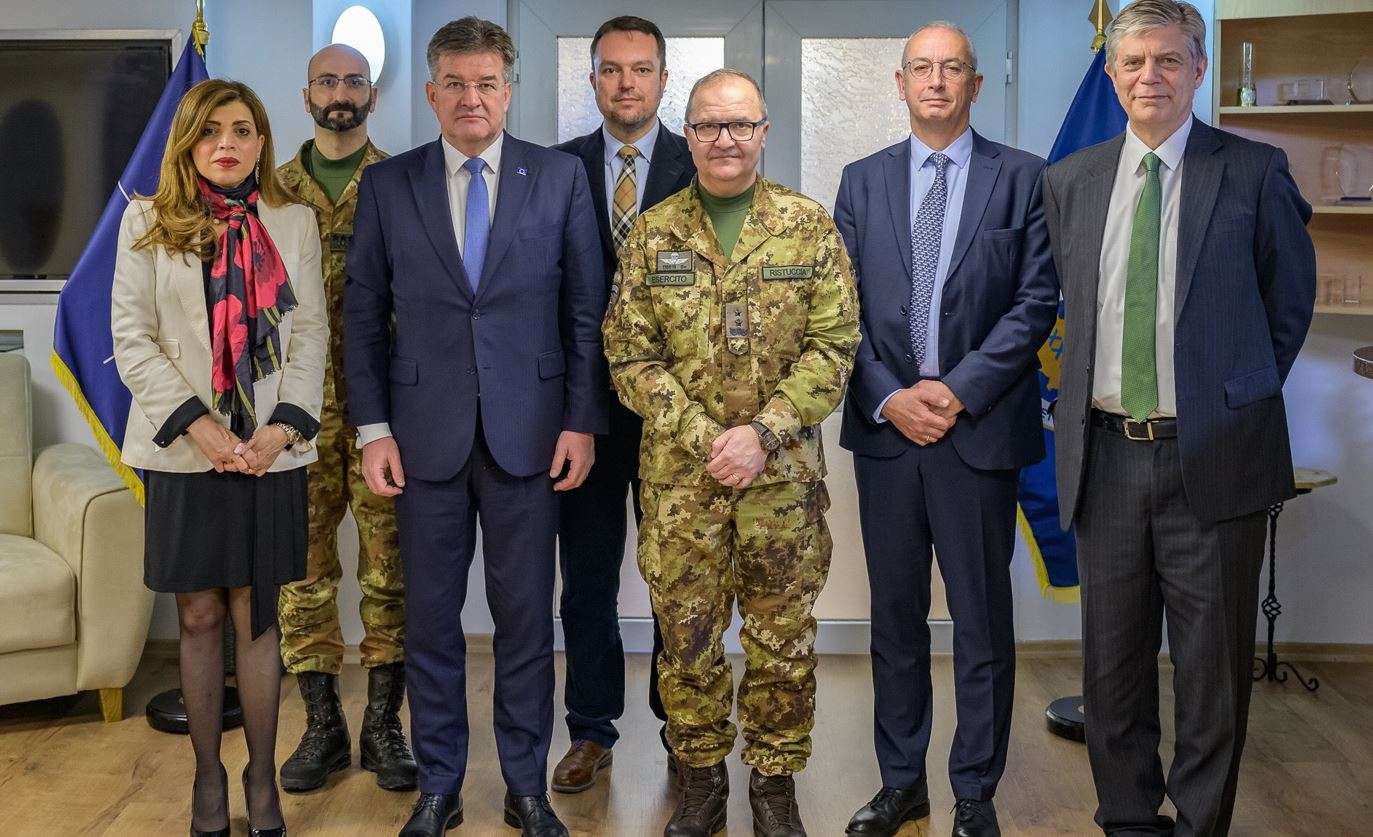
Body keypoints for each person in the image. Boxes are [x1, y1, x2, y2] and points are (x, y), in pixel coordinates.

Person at [1041, 2, 1316, 833]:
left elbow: (1286, 305)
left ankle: (1199, 824)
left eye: (1167, 60)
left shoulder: (1254, 170)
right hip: (1104, 458)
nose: (1148, 77)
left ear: (1197, 69)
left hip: (1215, 455)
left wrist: (1228, 400)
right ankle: (1128, 820)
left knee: (1211, 673)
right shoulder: (1070, 180)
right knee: (1111, 671)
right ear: (1111, 75)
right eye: (1132, 62)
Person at [343, 17, 606, 837]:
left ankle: (525, 787)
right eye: (455, 84)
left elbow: (584, 312)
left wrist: (580, 421)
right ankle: (438, 785)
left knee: (525, 620)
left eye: (486, 83)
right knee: (430, 621)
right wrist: (373, 429)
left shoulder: (559, 177)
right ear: (430, 93)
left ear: (508, 90)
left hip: (532, 436)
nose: (471, 98)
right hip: (421, 437)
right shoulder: (389, 185)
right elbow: (361, 314)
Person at [603, 68, 860, 837]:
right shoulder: (653, 233)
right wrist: (705, 436)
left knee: (782, 639)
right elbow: (629, 356)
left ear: (762, 133)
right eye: (709, 125)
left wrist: (762, 432)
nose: (725, 139)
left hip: (781, 484)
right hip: (681, 484)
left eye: (740, 124)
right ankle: (702, 781)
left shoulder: (806, 226)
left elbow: (834, 345)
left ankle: (774, 785)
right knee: (686, 640)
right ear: (687, 135)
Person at [833, 22, 1058, 837]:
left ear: (973, 83)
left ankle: (973, 791)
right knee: (894, 619)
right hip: (888, 434)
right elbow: (839, 309)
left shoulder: (1024, 178)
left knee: (980, 621)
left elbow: (1036, 300)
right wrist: (890, 395)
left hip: (978, 431)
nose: (935, 81)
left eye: (951, 68)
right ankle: (902, 783)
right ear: (899, 83)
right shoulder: (860, 181)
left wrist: (956, 392)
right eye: (921, 68)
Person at [111, 78, 327, 837]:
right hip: (184, 451)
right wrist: (200, 428)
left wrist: (280, 430)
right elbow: (131, 340)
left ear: (262, 142)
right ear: (187, 143)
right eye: (209, 131)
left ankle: (261, 779)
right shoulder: (146, 219)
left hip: (269, 452)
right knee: (200, 615)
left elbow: (310, 335)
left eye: (240, 130)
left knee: (257, 617)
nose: (225, 144)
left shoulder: (292, 220)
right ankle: (208, 776)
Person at [548, 14, 695, 794]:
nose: (625, 83)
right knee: (587, 579)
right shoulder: (556, 169)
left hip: (675, 413)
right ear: (593, 80)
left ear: (663, 79)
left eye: (641, 69)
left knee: (679, 577)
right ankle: (590, 728)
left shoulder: (698, 163)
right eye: (611, 69)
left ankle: (683, 726)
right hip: (584, 415)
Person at [274, 43, 415, 795]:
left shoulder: (403, 183)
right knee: (301, 571)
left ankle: (384, 725)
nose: (340, 93)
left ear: (371, 95)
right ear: (306, 96)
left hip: (382, 415)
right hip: (290, 415)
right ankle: (322, 726)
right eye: (326, 81)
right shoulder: (270, 191)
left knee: (391, 570)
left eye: (353, 81)